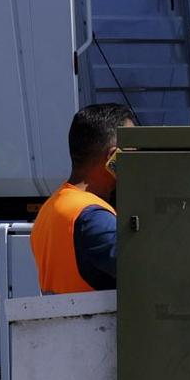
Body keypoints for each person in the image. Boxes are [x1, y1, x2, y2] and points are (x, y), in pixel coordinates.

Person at [31, 104, 136, 293]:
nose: (137, 158)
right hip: (99, 322)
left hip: (67, 321)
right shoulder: (93, 217)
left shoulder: (52, 207)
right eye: (132, 151)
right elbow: (148, 272)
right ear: (113, 157)